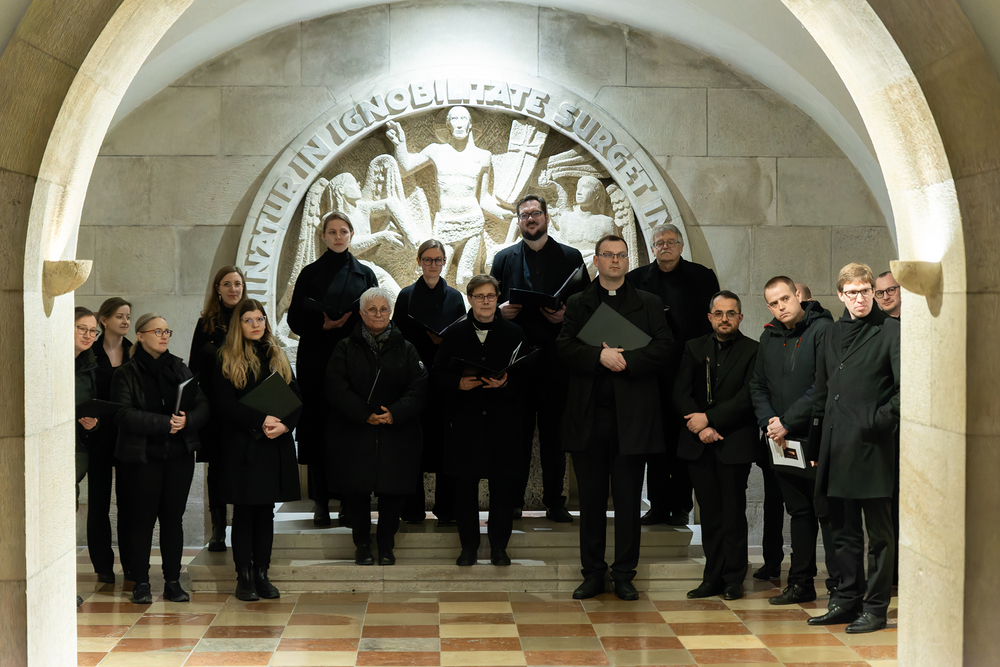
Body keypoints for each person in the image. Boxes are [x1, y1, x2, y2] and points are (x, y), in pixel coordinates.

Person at [557, 235, 672, 601]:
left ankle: (624, 574)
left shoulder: (648, 302)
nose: (616, 261)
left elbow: (666, 347)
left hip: (632, 418)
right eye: (608, 255)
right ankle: (592, 573)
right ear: (596, 260)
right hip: (590, 416)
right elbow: (563, 347)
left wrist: (626, 360)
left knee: (627, 501)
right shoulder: (578, 302)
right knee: (591, 502)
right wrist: (599, 356)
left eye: (621, 255)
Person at [807, 263, 900, 634]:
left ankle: (875, 609)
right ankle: (846, 601)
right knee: (842, 530)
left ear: (873, 292)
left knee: (880, 535)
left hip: (872, 446)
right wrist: (816, 443)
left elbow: (907, 389)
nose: (859, 299)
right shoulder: (830, 332)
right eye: (852, 293)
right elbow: (822, 389)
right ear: (840, 295)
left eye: (865, 291)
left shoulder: (890, 330)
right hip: (835, 445)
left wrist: (874, 421)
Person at [492, 193, 589, 522]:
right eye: (524, 215)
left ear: (546, 217)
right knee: (516, 435)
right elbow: (486, 303)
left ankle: (555, 501)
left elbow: (587, 306)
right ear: (518, 221)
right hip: (516, 363)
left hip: (556, 361)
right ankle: (514, 500)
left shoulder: (571, 257)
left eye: (535, 213)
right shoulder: (503, 259)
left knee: (554, 435)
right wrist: (500, 311)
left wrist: (566, 314)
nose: (530, 219)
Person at [750, 276, 838, 604]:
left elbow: (823, 385)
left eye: (785, 299)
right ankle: (801, 583)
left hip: (815, 436)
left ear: (798, 295)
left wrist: (787, 421)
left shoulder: (823, 329)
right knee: (799, 512)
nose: (780, 307)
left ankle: (840, 588)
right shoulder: (769, 335)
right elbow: (758, 384)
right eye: (773, 303)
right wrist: (770, 422)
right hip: (781, 441)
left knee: (827, 513)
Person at [287, 211, 378, 527]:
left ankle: (351, 501)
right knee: (318, 431)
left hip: (354, 362)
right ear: (323, 236)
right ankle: (321, 501)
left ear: (351, 235)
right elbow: (294, 320)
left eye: (343, 231)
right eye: (332, 232)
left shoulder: (365, 275)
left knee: (352, 430)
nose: (338, 237)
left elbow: (377, 316)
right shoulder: (309, 273)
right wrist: (322, 324)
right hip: (317, 361)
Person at [626, 223, 720, 528]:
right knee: (655, 442)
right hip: (651, 374)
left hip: (689, 372)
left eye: (670, 241)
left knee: (685, 440)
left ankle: (680, 506)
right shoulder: (636, 279)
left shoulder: (702, 277)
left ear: (681, 246)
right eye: (659, 242)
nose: (665, 246)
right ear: (652, 248)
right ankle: (658, 506)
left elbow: (711, 323)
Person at [111, 313, 209, 604]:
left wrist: (187, 420)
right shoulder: (126, 373)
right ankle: (140, 582)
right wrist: (165, 423)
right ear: (140, 336)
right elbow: (123, 414)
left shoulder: (179, 368)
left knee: (172, 520)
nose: (164, 336)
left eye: (167, 331)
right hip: (142, 457)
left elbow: (203, 403)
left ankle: (173, 582)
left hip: (178, 456)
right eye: (157, 331)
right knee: (141, 521)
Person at [326, 287, 427, 565]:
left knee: (392, 493)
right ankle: (362, 544)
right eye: (372, 310)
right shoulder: (344, 347)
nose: (379, 314)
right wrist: (364, 414)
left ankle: (386, 545)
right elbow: (335, 386)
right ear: (361, 314)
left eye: (384, 309)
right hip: (355, 432)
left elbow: (419, 388)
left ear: (391, 312)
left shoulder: (407, 348)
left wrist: (394, 412)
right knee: (357, 493)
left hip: (397, 433)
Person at [432, 274, 525, 566]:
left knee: (502, 490)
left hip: (502, 424)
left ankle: (499, 547)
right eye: (479, 296)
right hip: (465, 423)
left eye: (491, 296)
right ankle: (469, 547)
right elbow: (436, 375)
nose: (486, 302)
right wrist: (457, 384)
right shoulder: (455, 333)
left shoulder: (514, 333)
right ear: (470, 299)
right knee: (465, 489)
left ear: (498, 299)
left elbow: (529, 376)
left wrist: (507, 383)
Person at [212, 300, 301, 601]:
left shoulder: (277, 354)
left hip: (273, 444)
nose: (255, 324)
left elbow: (296, 398)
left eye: (260, 319)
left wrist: (285, 425)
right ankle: (244, 576)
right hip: (242, 446)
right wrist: (260, 420)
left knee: (265, 512)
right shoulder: (225, 357)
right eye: (248, 319)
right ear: (238, 324)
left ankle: (262, 573)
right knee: (244, 512)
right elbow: (224, 405)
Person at [674, 291, 759, 601]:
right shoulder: (693, 347)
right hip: (699, 444)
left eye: (731, 313)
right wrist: (701, 427)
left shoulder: (753, 350)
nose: (725, 319)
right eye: (719, 313)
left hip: (734, 443)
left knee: (733, 514)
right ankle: (711, 578)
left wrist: (709, 420)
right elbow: (680, 392)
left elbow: (747, 397)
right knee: (709, 515)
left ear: (740, 317)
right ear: (710, 317)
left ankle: (734, 579)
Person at [392, 240, 467, 525]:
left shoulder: (455, 298)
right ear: (419, 261)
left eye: (437, 260)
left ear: (444, 262)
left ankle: (446, 509)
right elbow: (397, 336)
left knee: (445, 445)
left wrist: (443, 341)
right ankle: (412, 510)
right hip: (415, 378)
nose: (432, 264)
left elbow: (461, 338)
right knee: (414, 444)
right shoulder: (406, 295)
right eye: (427, 259)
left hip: (445, 379)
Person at [387, 106, 497, 288]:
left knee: (465, 277)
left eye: (463, 119)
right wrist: (400, 144)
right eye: (454, 119)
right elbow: (406, 168)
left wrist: (508, 213)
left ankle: (466, 306)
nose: (459, 124)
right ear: (448, 125)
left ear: (470, 124)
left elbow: (484, 198)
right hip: (446, 223)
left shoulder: (483, 156)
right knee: (438, 276)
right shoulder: (436, 151)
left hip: (473, 222)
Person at [189, 266, 246, 551]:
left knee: (243, 464)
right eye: (227, 284)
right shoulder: (206, 325)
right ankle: (219, 528)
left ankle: (243, 524)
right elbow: (194, 369)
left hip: (244, 406)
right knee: (218, 468)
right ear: (218, 289)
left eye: (237, 284)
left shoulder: (251, 318)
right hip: (214, 408)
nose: (233, 289)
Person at [87, 297, 132, 583]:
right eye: (119, 316)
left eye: (128, 316)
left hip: (128, 435)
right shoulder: (89, 352)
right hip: (98, 435)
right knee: (99, 503)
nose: (126, 321)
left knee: (129, 504)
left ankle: (131, 564)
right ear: (103, 320)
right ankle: (103, 566)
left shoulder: (135, 351)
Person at [74, 307, 100, 606]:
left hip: (76, 450)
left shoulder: (90, 365)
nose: (88, 335)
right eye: (82, 328)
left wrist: (95, 422)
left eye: (93, 331)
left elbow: (93, 404)